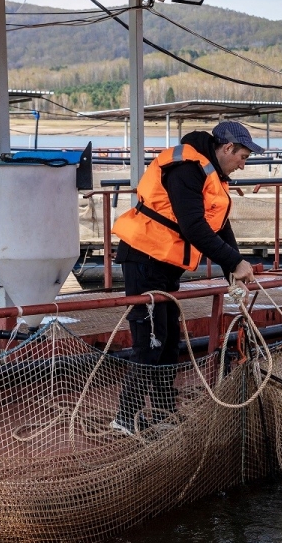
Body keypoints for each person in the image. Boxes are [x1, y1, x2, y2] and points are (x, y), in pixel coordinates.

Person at [108, 120, 259, 434]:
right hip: (143, 258)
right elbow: (194, 228)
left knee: (169, 343)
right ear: (227, 147)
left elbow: (218, 226)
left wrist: (235, 267)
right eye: (242, 157)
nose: (242, 165)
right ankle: (125, 419)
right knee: (150, 342)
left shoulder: (212, 173)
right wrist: (234, 262)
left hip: (165, 265)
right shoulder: (187, 168)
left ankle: (163, 413)